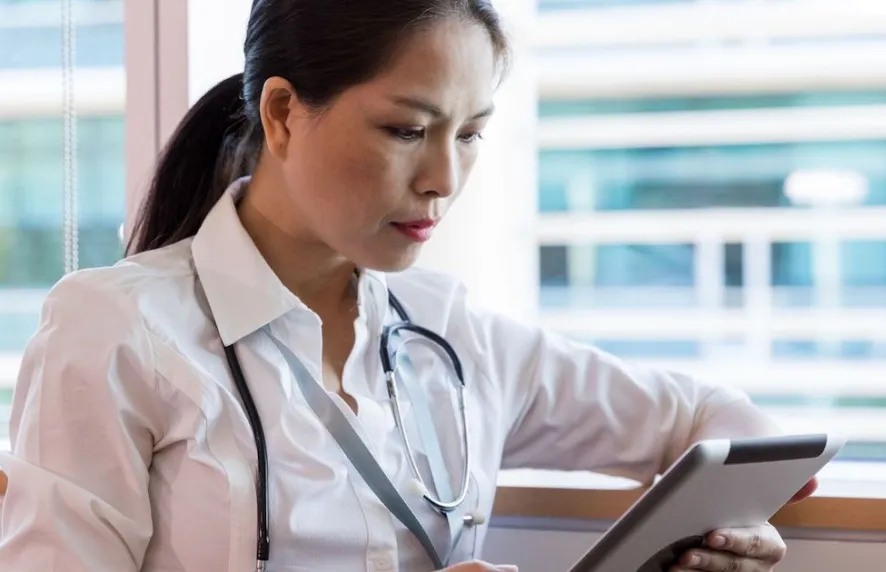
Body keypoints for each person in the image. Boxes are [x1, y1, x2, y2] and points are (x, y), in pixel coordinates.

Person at [0, 1, 816, 571]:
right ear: (282, 114)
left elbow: (714, 421)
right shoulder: (117, 329)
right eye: (406, 130)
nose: (443, 178)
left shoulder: (451, 333)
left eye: (470, 134)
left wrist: (731, 526)